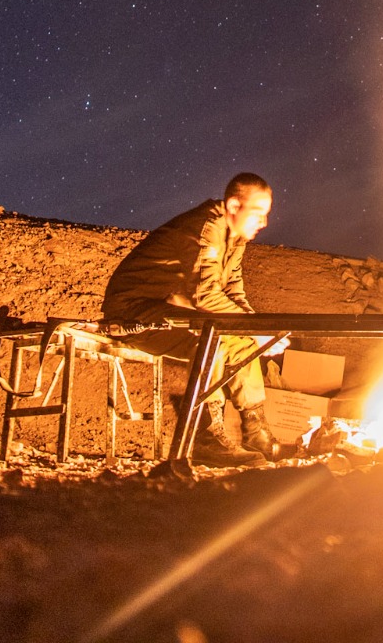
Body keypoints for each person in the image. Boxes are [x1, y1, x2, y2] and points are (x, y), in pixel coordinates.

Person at [102, 171, 279, 466]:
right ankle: (208, 438)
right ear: (234, 206)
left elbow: (233, 291)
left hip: (170, 310)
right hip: (135, 311)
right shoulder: (205, 228)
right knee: (214, 339)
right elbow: (206, 297)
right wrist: (254, 330)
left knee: (246, 344)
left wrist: (259, 331)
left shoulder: (235, 238)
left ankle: (256, 431)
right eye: (258, 213)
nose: (264, 222)